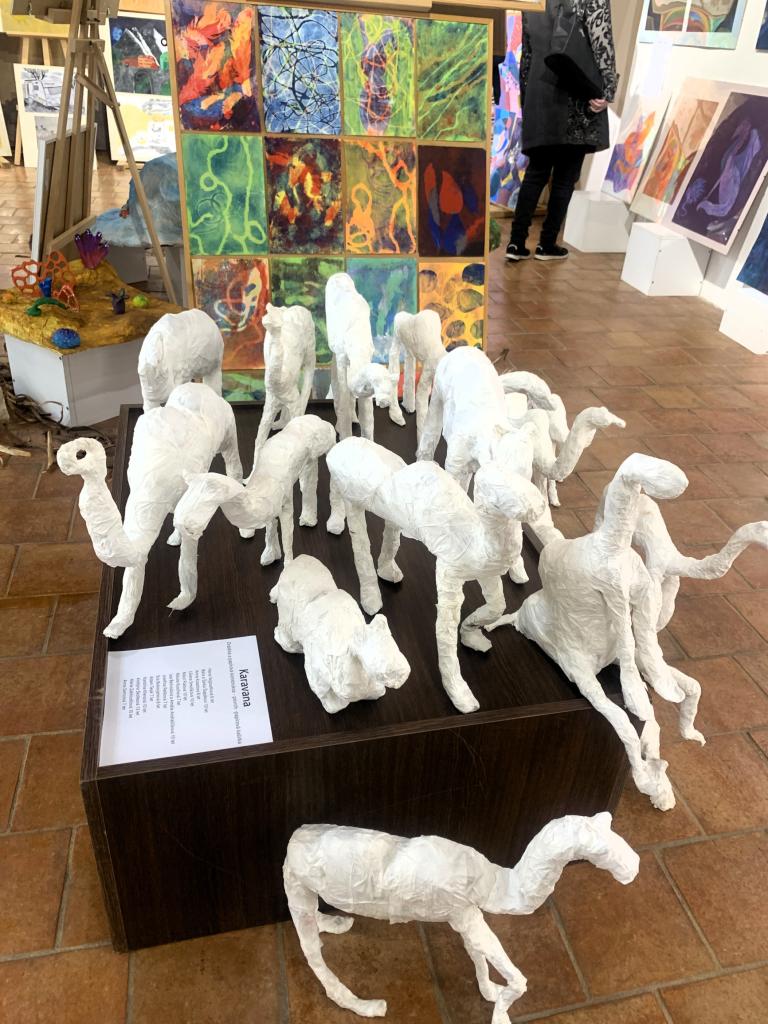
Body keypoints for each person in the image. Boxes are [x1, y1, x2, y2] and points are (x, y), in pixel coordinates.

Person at [506, 0, 618, 262]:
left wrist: (527, 97)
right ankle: (547, 244)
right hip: (574, 91)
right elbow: (601, 39)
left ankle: (516, 242)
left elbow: (528, 53)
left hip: (540, 91)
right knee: (566, 175)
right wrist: (608, 88)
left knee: (536, 171)